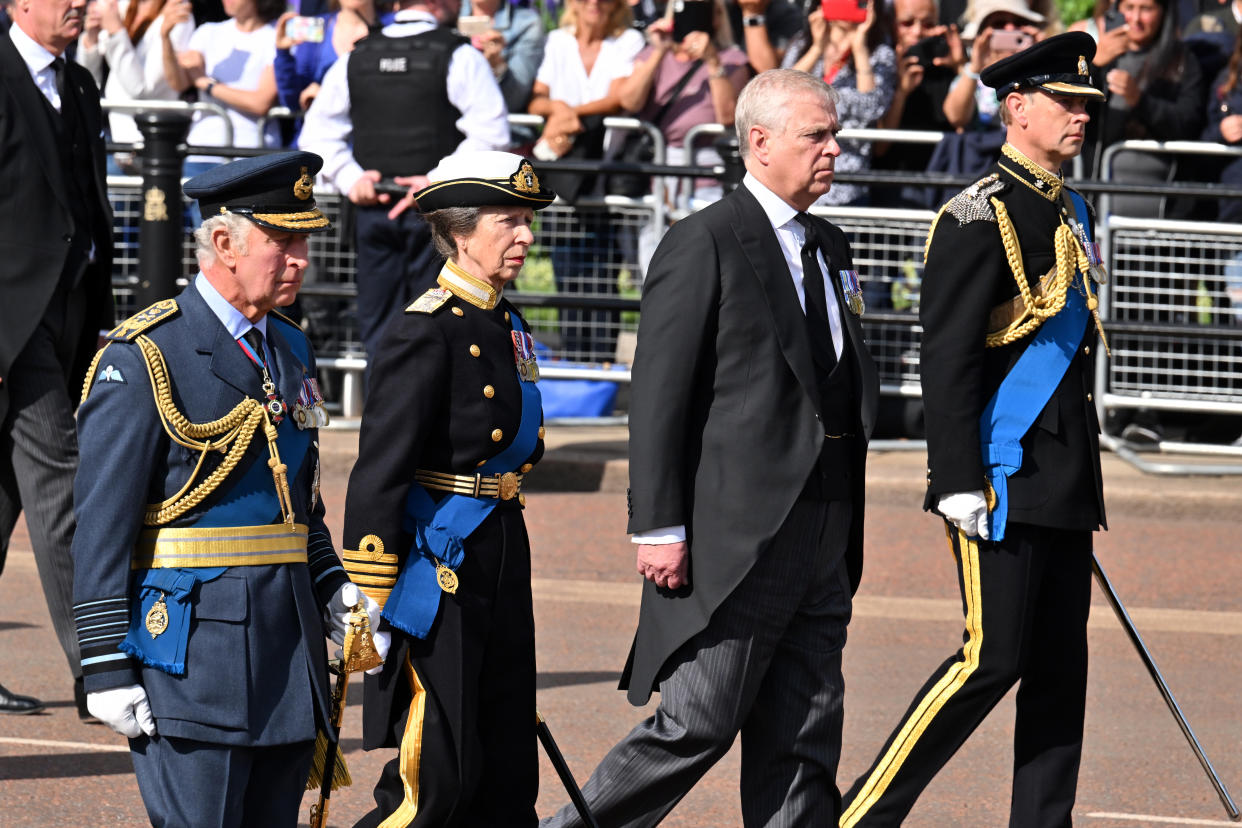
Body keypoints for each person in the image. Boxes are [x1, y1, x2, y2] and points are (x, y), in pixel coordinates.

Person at [541, 68, 880, 828]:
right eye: (816, 136)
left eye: (835, 136)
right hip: (738, 532)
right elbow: (660, 395)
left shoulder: (830, 242)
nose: (834, 151)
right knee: (698, 720)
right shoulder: (706, 240)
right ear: (758, 142)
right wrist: (658, 524)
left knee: (804, 727)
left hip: (824, 519)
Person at [838, 32, 1108, 827]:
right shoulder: (973, 215)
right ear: (1016, 108)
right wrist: (954, 476)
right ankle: (863, 816)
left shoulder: (1073, 207)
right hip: (1000, 471)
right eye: (1066, 103)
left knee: (1062, 670)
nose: (1081, 117)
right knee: (988, 660)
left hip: (1063, 476)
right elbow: (947, 357)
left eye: (1088, 105)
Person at [71, 151, 380, 826]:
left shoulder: (291, 348)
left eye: (305, 241)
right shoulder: (147, 354)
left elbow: (298, 500)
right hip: (194, 657)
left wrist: (332, 585)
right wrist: (102, 662)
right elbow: (98, 523)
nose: (301, 258)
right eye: (283, 241)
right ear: (222, 243)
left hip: (287, 649)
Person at [339, 150, 554, 828]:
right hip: (440, 562)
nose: (524, 236)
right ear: (460, 231)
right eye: (509, 221)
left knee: (507, 753)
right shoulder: (423, 329)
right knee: (435, 767)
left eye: (527, 222)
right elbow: (380, 470)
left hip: (499, 543)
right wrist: (368, 596)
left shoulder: (508, 322)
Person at [0, 0, 115, 717]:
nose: (79, 2)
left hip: (69, 311)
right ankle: (98, 666)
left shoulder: (80, 85)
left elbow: (88, 204)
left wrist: (100, 314)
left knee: (5, 495)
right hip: (12, 319)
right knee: (63, 483)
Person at [298, 0, 509, 386]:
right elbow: (492, 132)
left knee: (380, 327)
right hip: (439, 217)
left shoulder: (356, 57)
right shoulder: (459, 54)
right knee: (440, 321)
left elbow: (317, 135)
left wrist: (352, 179)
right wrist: (434, 181)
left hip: (381, 210)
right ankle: (426, 432)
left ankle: (387, 430)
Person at [528, 0, 645, 362]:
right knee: (567, 273)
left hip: (607, 173)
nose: (593, 3)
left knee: (604, 277)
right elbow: (536, 101)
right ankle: (579, 366)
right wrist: (561, 113)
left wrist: (566, 115)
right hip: (566, 176)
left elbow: (619, 100)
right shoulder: (558, 41)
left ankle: (600, 367)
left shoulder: (629, 41)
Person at [616, 0, 750, 208]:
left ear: (716, 16)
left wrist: (713, 61)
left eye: (701, 8)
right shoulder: (655, 55)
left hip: (709, 176)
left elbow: (727, 116)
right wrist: (659, 50)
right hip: (658, 172)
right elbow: (629, 101)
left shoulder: (733, 60)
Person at [1079, 0, 1204, 217]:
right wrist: (1094, 66)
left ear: (1163, 12)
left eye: (1146, 9)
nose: (1135, 18)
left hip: (1160, 210)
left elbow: (1189, 123)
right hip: (1096, 202)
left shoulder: (1183, 61)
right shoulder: (1096, 57)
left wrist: (1140, 100)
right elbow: (1066, 108)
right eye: (1129, 8)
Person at [781, 0, 897, 207]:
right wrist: (817, 48)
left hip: (845, 186)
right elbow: (779, 93)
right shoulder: (802, 44)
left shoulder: (880, 54)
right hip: (794, 181)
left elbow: (872, 108)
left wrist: (859, 48)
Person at [160, 0, 285, 182]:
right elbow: (179, 83)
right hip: (202, 153)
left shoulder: (275, 37)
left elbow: (260, 103)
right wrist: (165, 37)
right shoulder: (208, 31)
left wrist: (207, 84)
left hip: (252, 155)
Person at [76, 0, 195, 174]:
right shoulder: (121, 6)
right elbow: (87, 82)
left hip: (152, 146)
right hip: (113, 141)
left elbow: (143, 89)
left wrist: (116, 32)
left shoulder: (177, 11)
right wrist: (91, 37)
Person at [273, 0, 385, 115]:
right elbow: (294, 101)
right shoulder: (316, 28)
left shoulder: (392, 27)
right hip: (323, 128)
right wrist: (283, 54)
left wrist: (328, 96)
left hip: (375, 125)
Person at [461, 0, 547, 118]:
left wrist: (497, 65)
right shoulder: (445, 14)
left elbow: (514, 100)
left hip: (506, 127)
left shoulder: (527, 24)